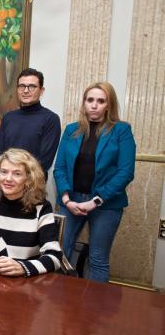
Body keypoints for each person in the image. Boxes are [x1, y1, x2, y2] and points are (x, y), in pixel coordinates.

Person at [53, 81, 136, 282]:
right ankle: (60, 308)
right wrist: (66, 200)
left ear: (109, 105)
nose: (94, 105)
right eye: (90, 100)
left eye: (101, 101)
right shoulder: (72, 129)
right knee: (58, 254)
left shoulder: (121, 130)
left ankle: (94, 312)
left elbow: (126, 173)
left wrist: (95, 201)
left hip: (106, 205)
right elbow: (60, 168)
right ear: (84, 103)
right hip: (71, 201)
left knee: (98, 259)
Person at [0, 148, 63, 277]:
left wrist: (23, 267)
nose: (8, 179)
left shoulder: (42, 207)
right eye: (4, 172)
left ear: (29, 178)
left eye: (17, 174)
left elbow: (54, 256)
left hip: (25, 283)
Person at [0, 68, 61, 179]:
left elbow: (44, 161)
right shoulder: (8, 117)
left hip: (33, 185)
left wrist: (18, 177)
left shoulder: (51, 119)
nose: (26, 91)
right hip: (6, 181)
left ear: (41, 90)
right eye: (22, 86)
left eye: (32, 86)